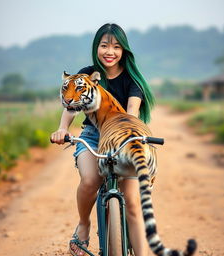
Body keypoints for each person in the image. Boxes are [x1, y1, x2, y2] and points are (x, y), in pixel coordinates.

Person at [51, 23, 155, 256]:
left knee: (133, 203)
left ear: (124, 51)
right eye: (105, 45)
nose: (110, 52)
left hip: (122, 137)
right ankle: (84, 224)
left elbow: (131, 113)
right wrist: (62, 129)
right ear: (96, 47)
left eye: (116, 47)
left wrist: (129, 137)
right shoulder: (86, 73)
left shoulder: (132, 80)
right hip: (92, 136)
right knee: (89, 181)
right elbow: (72, 104)